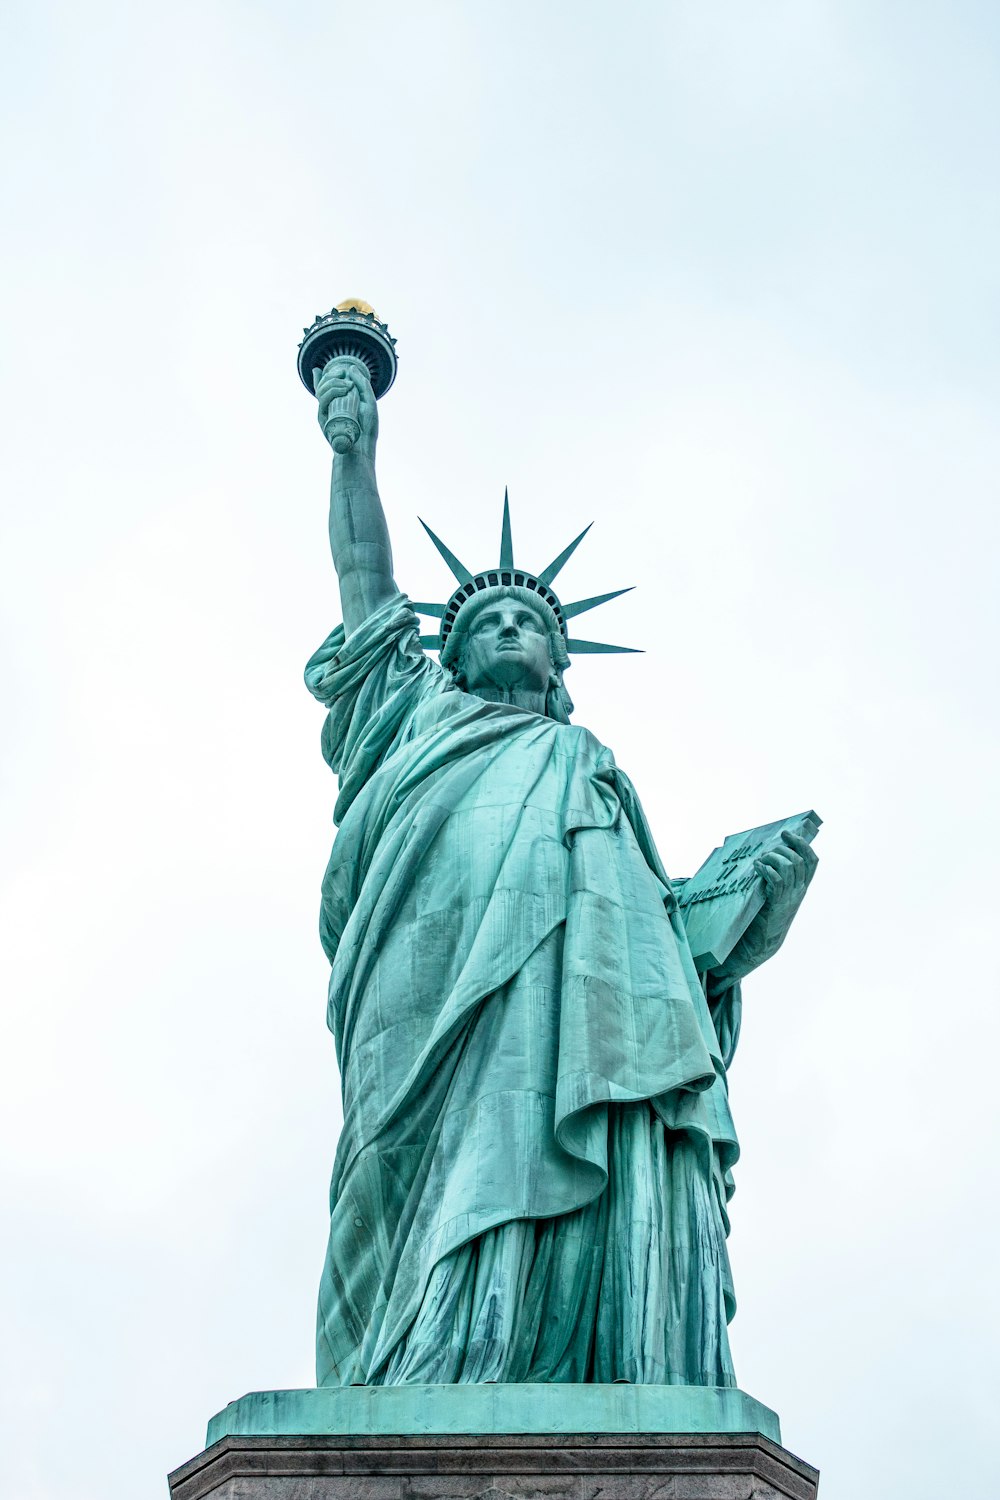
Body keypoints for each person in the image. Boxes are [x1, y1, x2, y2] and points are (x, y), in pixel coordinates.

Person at [305, 357, 817, 1388]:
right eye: (484, 622)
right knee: (409, 1180)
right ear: (446, 660)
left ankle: (523, 1354)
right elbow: (366, 587)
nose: (506, 628)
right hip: (424, 1002)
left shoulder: (591, 772)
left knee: (553, 1130)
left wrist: (743, 903)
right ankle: (421, 1364)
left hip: (570, 1026)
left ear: (557, 665)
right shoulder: (411, 721)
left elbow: (656, 952)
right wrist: (352, 453)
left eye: (529, 624)